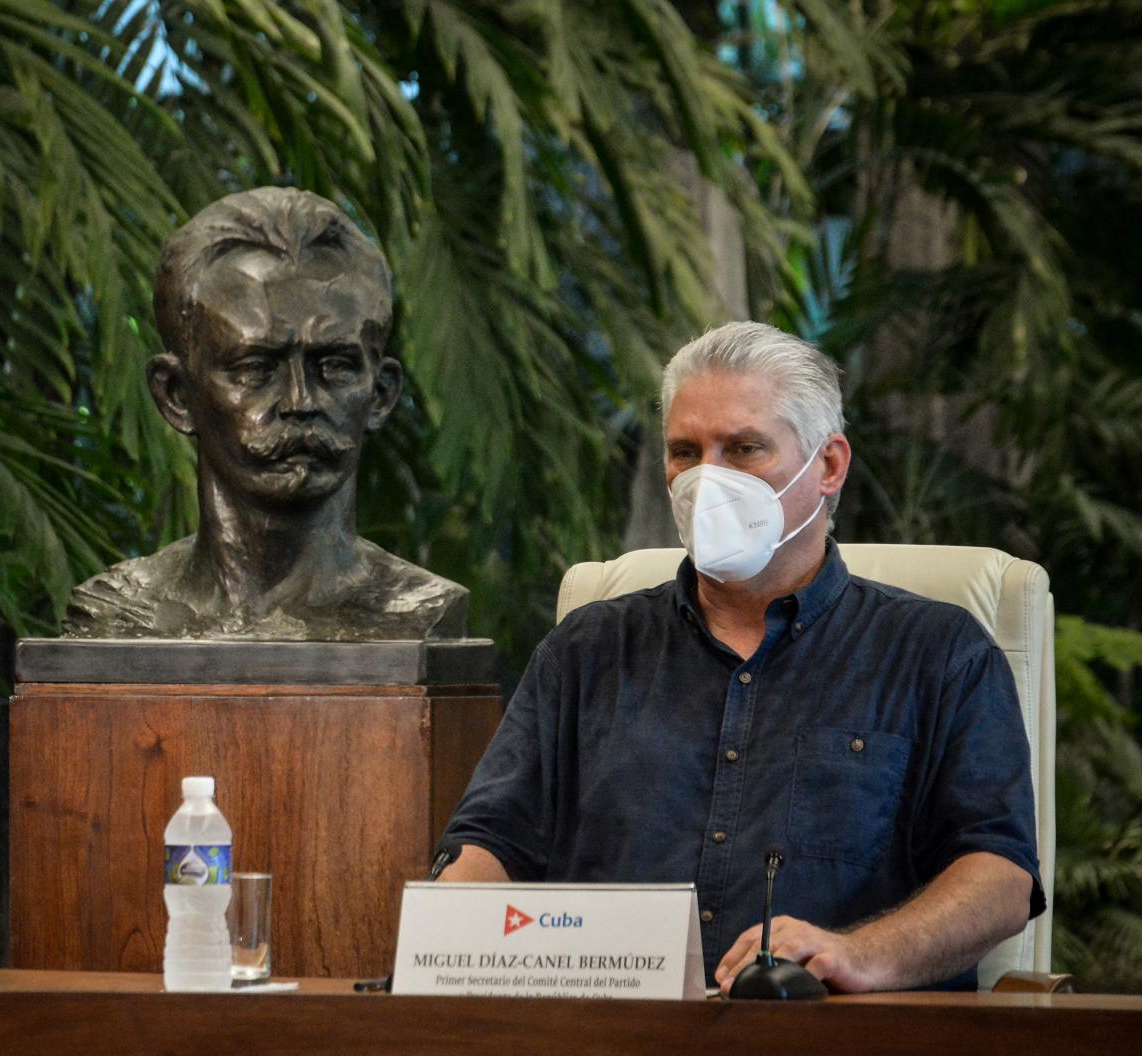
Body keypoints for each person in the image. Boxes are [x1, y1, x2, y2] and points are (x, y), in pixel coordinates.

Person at [434, 321, 1043, 993]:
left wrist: (861, 953)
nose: (707, 479)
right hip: (617, 1037)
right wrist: (447, 944)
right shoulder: (586, 651)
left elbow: (1000, 878)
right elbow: (488, 845)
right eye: (685, 451)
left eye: (744, 448)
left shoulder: (939, 652)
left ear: (829, 466)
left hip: (841, 1042)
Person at [64, 187, 466, 640]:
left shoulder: (419, 614)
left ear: (381, 394)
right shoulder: (119, 617)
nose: (300, 401)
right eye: (256, 369)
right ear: (176, 395)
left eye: (334, 367)